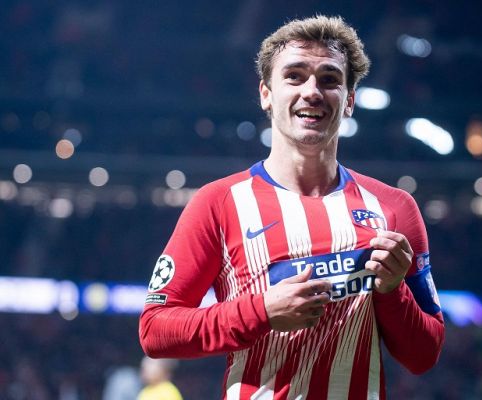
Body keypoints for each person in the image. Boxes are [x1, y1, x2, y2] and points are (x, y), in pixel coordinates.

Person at [139, 15, 444, 399]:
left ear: (349, 100)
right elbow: (155, 330)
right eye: (295, 76)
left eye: (330, 79)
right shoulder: (218, 203)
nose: (312, 91)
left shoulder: (395, 208)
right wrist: (262, 311)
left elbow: (424, 354)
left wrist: (392, 290)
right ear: (266, 93)